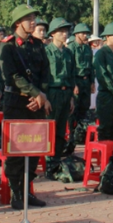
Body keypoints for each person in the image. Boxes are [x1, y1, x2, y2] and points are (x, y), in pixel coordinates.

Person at [0, 5, 51, 210]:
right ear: (17, 22)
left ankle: (28, 191)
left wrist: (42, 95)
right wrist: (35, 93)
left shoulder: (38, 45)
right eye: (28, 19)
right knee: (17, 150)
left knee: (35, 148)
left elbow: (45, 73)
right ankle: (16, 193)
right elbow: (12, 76)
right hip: (16, 103)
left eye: (34, 18)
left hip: (37, 103)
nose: (33, 22)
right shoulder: (8, 46)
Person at [44, 18, 75, 169]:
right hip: (52, 93)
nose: (65, 34)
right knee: (50, 128)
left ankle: (56, 159)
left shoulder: (69, 53)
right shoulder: (47, 51)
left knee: (62, 130)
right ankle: (48, 162)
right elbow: (43, 76)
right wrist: (45, 98)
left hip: (65, 93)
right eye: (61, 31)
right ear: (53, 33)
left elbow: (71, 75)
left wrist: (71, 98)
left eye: (66, 31)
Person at [69, 23, 94, 140]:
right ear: (76, 34)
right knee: (74, 109)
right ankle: (72, 136)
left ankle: (81, 134)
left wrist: (92, 82)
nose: (85, 35)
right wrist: (73, 84)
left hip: (86, 80)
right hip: (77, 80)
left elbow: (91, 66)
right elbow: (70, 67)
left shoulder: (87, 48)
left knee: (85, 107)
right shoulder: (71, 48)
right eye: (83, 33)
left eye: (86, 33)